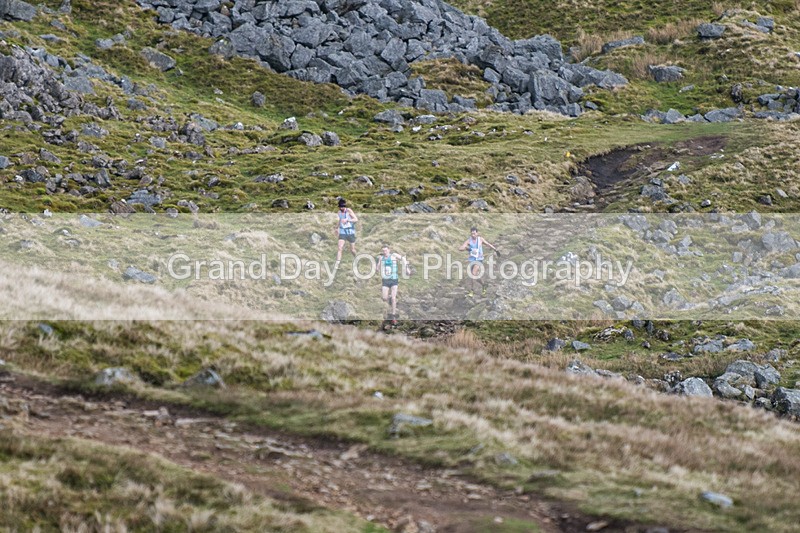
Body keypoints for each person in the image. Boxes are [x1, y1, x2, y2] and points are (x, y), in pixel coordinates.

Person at [376, 244, 410, 326]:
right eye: (383, 251)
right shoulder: (382, 258)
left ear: (389, 250)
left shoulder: (394, 256)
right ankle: (387, 310)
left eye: (386, 250)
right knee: (384, 298)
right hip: (385, 280)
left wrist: (407, 268)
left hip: (394, 279)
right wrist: (378, 266)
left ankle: (393, 316)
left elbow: (403, 259)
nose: (385, 252)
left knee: (394, 298)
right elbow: (377, 268)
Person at [459, 226, 498, 297]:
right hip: (472, 260)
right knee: (475, 276)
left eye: (474, 233)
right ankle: (484, 285)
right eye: (472, 234)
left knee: (473, 274)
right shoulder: (469, 240)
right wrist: (465, 248)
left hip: (479, 259)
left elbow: (488, 244)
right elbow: (461, 248)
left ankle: (471, 291)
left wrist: (495, 249)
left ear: (477, 233)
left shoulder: (480, 239)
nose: (473, 235)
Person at [334, 198, 358, 270]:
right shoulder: (339, 212)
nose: (342, 208)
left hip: (350, 232)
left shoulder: (349, 211)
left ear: (345, 206)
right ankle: (337, 264)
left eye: (343, 207)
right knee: (340, 248)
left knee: (352, 250)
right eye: (340, 207)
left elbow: (356, 219)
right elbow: (340, 220)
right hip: (343, 232)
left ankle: (356, 258)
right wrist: (337, 227)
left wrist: (348, 220)